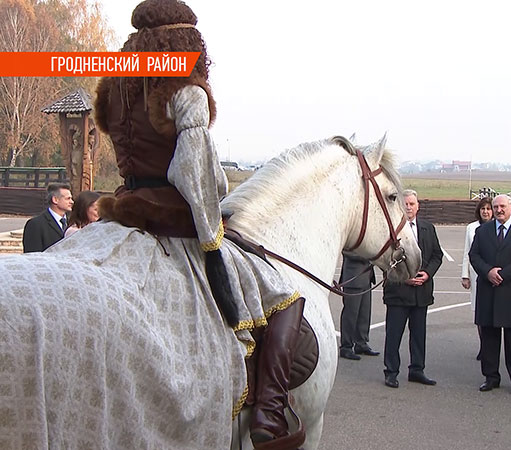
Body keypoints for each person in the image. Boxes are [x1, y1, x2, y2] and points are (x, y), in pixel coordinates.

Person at [93, 1, 303, 445]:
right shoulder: (184, 89)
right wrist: (212, 236)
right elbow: (193, 170)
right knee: (284, 293)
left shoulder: (115, 89)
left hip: (125, 210)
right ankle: (267, 417)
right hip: (173, 221)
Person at [469, 194, 511, 395]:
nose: (498, 210)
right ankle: (491, 377)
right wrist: (488, 272)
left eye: (502, 207)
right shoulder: (482, 231)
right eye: (496, 207)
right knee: (489, 337)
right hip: (488, 291)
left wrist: (503, 274)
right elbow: (474, 255)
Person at [383, 190, 442, 388]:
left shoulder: (428, 228)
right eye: (405, 204)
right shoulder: (392, 229)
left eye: (411, 204)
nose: (408, 207)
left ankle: (417, 370)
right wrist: (404, 277)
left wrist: (427, 274)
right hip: (398, 292)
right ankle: (391, 372)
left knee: (418, 335)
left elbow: (436, 255)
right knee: (394, 334)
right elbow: (385, 259)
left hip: (421, 293)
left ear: (418, 206)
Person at [461, 197, 493, 360]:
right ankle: (484, 346)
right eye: (483, 209)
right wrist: (465, 275)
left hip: (493, 275)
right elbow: (467, 252)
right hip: (476, 275)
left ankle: (493, 346)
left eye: (488, 209)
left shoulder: (497, 227)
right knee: (479, 312)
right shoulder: (471, 228)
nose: (486, 212)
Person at [338, 254, 379, 360]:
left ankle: (361, 343)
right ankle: (346, 347)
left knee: (364, 313)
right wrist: (371, 256)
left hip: (366, 277)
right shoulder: (351, 237)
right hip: (353, 277)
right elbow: (347, 251)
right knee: (351, 314)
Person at [23, 183, 73, 253]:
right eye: (68, 199)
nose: (72, 202)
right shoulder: (36, 224)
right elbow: (32, 255)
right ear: (55, 199)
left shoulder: (72, 223)